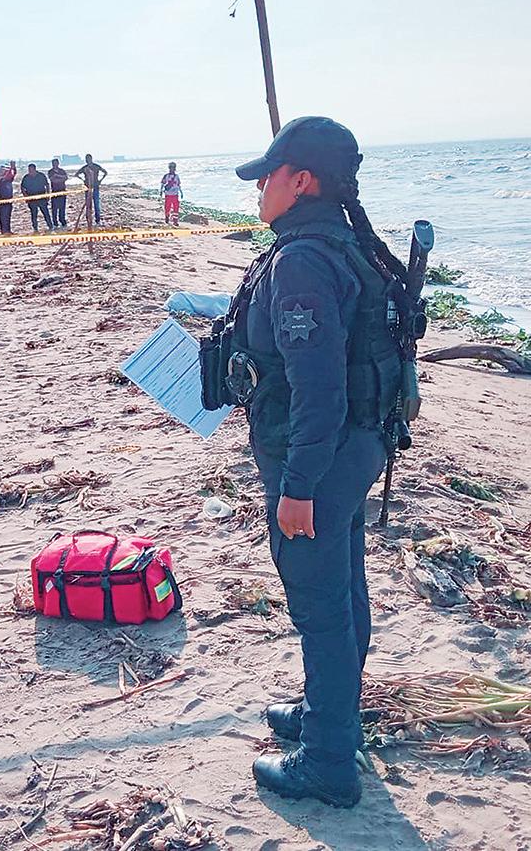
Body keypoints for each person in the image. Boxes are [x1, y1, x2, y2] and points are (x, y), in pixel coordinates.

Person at [222, 117, 405, 807]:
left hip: (320, 459)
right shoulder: (344, 241)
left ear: (300, 181)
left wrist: (296, 485)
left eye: (265, 177)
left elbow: (318, 385)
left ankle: (327, 762)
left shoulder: (302, 259)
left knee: (321, 608)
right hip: (355, 446)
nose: (257, 190)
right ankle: (331, 714)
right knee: (344, 586)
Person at [21, 163, 54, 233]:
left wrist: (48, 195)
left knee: (45, 212)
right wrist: (26, 197)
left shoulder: (41, 176)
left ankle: (50, 226)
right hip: (32, 198)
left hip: (42, 197)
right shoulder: (26, 177)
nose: (30, 171)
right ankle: (35, 228)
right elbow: (22, 188)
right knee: (34, 214)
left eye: (31, 169)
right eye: (29, 170)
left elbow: (47, 185)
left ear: (35, 169)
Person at [74, 154, 107, 224]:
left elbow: (105, 172)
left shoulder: (96, 166)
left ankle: (97, 219)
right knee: (88, 204)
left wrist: (100, 180)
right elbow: (76, 174)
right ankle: (88, 219)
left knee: (96, 204)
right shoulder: (84, 168)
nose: (88, 160)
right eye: (87, 159)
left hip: (95, 187)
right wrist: (83, 180)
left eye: (89, 159)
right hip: (88, 188)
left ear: (91, 159)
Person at [0, 162, 16, 234]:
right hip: (3, 200)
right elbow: (9, 175)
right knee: (4, 216)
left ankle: (7, 230)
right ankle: (4, 231)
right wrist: (12, 167)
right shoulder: (1, 179)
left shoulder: (8, 180)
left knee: (7, 216)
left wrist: (13, 167)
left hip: (8, 199)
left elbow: (13, 174)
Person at [48, 159, 69, 228]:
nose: (55, 164)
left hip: (62, 191)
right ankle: (55, 222)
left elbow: (66, 177)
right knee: (54, 208)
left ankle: (62, 220)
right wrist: (60, 178)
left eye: (56, 163)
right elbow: (53, 180)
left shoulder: (62, 170)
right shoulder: (50, 171)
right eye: (53, 163)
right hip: (55, 191)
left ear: (58, 163)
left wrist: (57, 176)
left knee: (62, 207)